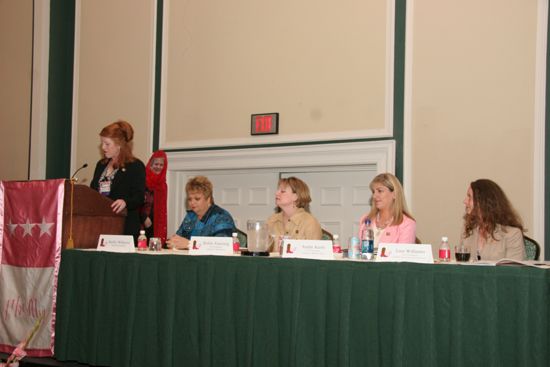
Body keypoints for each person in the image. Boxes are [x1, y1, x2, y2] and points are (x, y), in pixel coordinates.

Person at [90, 120, 145, 241]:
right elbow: (92, 191)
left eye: (107, 144)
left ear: (119, 144)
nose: (103, 147)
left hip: (124, 226)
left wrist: (125, 202)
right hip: (100, 225)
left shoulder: (135, 166)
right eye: (102, 143)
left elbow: (139, 196)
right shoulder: (101, 165)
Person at [460, 179, 525, 261]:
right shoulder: (468, 230)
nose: (465, 201)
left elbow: (513, 272)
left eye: (469, 197)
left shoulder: (512, 234)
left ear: (483, 202)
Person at [167, 176, 235, 249]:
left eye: (197, 199)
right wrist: (174, 242)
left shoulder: (221, 216)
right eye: (189, 199)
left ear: (208, 199)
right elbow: (179, 239)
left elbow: (222, 246)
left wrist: (190, 244)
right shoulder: (190, 216)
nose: (192, 202)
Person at [358, 173, 416, 247]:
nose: (374, 196)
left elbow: (403, 257)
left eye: (380, 191)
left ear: (394, 194)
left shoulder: (407, 224)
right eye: (373, 192)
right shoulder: (365, 219)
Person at [266, 176, 322, 251]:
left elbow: (315, 256)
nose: (276, 193)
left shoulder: (310, 222)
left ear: (295, 197)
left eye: (282, 191)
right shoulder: (271, 220)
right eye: (277, 190)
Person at [140, 150, 168, 244]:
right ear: (151, 164)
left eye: (161, 165)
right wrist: (144, 217)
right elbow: (137, 203)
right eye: (156, 164)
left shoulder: (163, 186)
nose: (158, 167)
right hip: (140, 225)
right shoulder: (142, 180)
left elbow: (162, 210)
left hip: (155, 226)